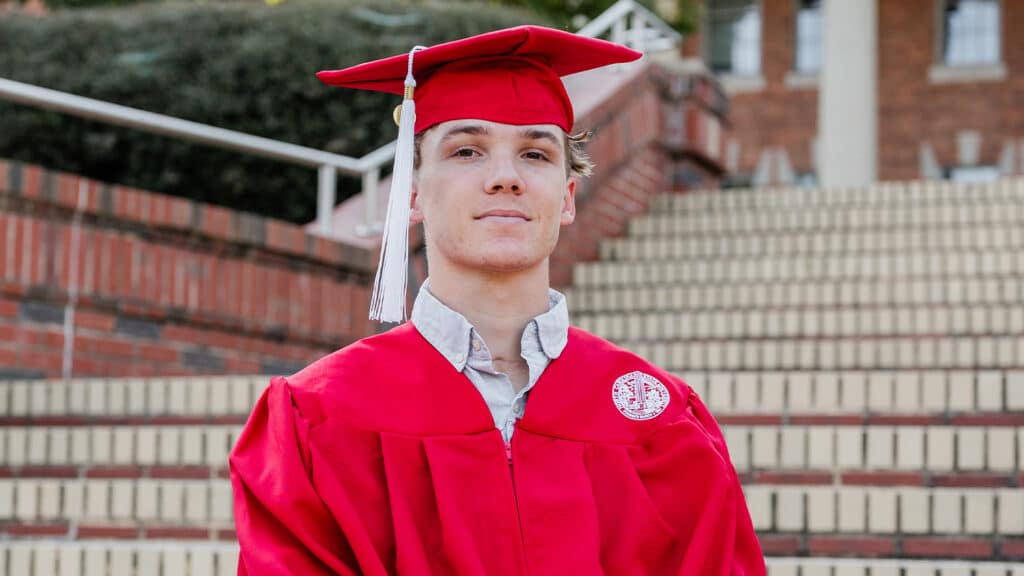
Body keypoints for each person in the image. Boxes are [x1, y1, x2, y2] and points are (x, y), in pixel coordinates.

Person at [230, 25, 766, 575]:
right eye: (467, 150)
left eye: (535, 153)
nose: (506, 178)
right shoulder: (318, 414)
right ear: (411, 193)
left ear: (567, 197)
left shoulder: (662, 420)